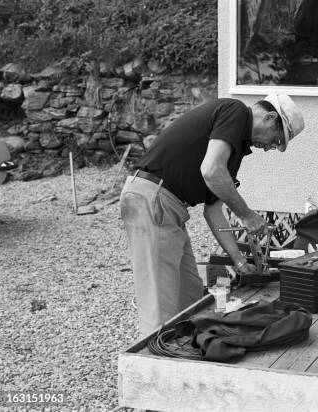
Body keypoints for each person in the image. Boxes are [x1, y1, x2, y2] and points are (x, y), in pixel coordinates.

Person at [119, 94, 305, 337]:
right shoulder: (235, 111)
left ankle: (183, 353)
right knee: (160, 306)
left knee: (189, 295)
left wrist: (239, 261)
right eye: (276, 138)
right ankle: (153, 365)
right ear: (270, 117)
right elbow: (211, 170)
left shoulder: (235, 149)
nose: (270, 147)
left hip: (169, 207)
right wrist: (247, 215)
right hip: (153, 197)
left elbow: (213, 209)